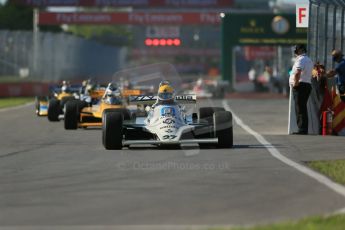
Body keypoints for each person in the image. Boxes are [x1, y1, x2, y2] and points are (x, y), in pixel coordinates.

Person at [289, 44, 314, 135]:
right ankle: (303, 128)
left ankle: (302, 129)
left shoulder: (301, 59)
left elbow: (297, 72)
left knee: (299, 108)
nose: (295, 51)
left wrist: (295, 84)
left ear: (301, 50)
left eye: (296, 49)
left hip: (300, 86)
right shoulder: (308, 59)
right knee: (302, 107)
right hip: (306, 85)